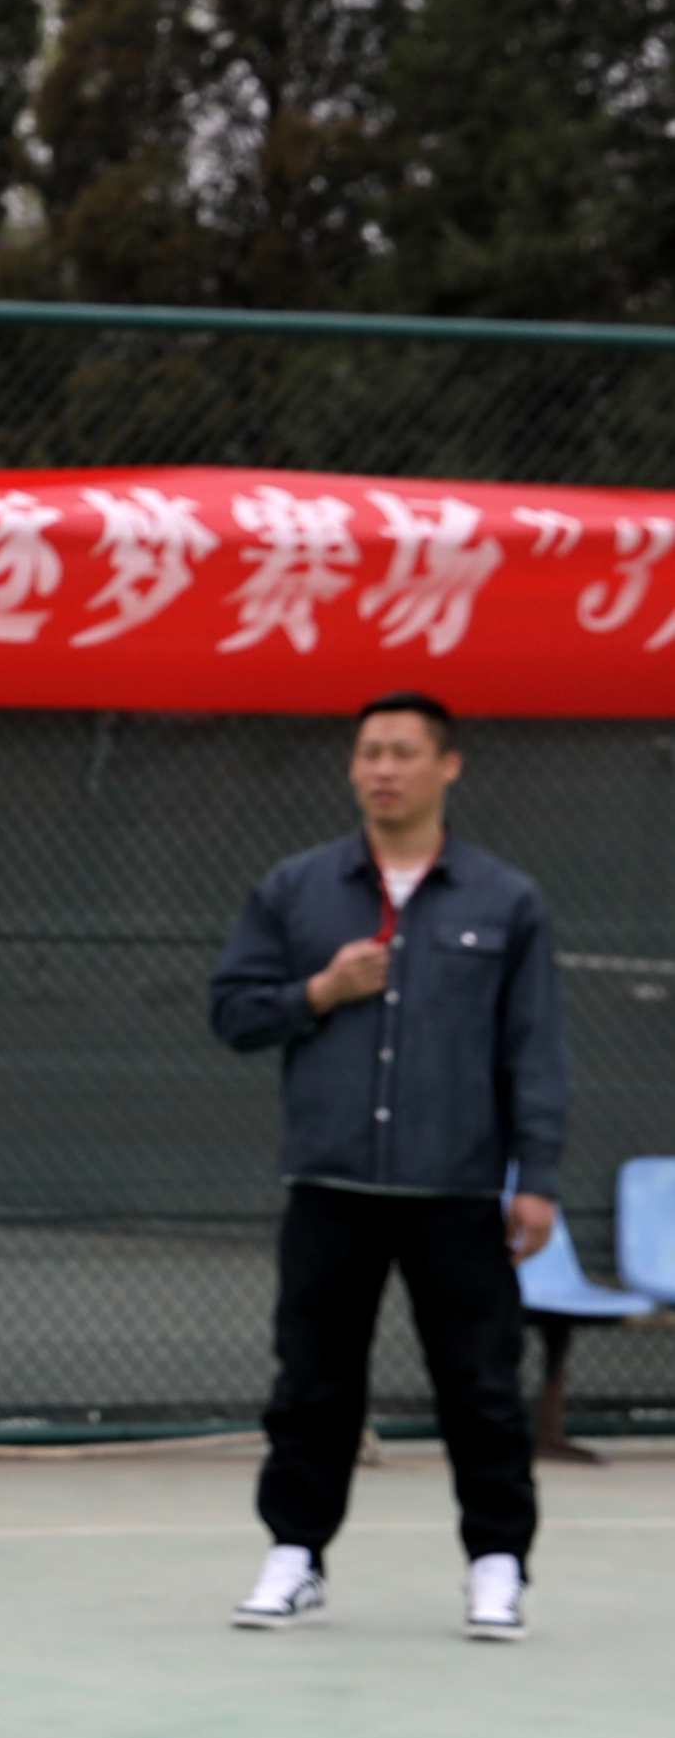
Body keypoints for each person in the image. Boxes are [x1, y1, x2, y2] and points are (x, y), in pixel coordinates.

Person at [208, 689, 565, 1641]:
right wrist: (318, 991)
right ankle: (294, 1554)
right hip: (329, 1185)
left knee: (480, 1386)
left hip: (457, 1189)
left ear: (447, 766)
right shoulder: (295, 888)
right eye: (368, 752)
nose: (382, 769)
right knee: (311, 1384)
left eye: (404, 752)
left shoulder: (504, 898)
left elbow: (532, 1047)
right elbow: (232, 1012)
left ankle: (496, 1565)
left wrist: (535, 1176)